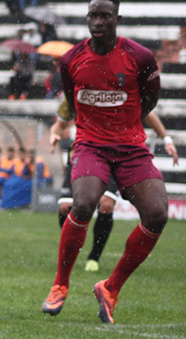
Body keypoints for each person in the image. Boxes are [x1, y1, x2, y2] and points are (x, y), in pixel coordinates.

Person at [41, 0, 168, 324]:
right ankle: (60, 284)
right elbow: (73, 100)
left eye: (105, 16)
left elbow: (149, 101)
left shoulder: (139, 57)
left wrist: (126, 125)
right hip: (91, 146)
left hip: (131, 148)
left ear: (117, 19)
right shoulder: (70, 60)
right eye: (92, 15)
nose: (97, 22)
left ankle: (110, 287)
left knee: (157, 215)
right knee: (82, 205)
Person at [50, 98, 179, 273]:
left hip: (117, 157)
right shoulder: (79, 84)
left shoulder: (123, 88)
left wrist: (167, 139)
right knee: (66, 207)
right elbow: (60, 122)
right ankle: (71, 251)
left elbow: (148, 113)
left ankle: (94, 256)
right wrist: (55, 133)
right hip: (84, 156)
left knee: (106, 205)